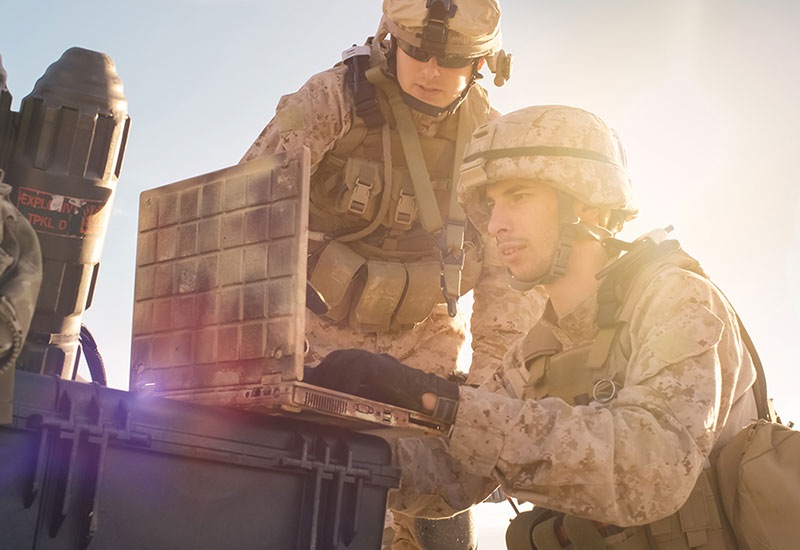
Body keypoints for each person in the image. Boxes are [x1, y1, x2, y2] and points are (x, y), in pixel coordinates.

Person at [310, 105, 759, 549]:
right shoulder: (539, 348)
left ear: (585, 200)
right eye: (490, 205)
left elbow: (651, 469)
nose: (494, 225)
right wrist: (326, 435)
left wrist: (441, 401)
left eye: (519, 197)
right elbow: (452, 476)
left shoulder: (675, 298)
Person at [241, 2, 542, 548]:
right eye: (417, 53)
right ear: (390, 42)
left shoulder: (491, 142)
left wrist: (481, 393)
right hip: (316, 352)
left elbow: (511, 280)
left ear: (481, 66)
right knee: (333, 519)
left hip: (426, 355)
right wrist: (266, 352)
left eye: (450, 60)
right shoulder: (330, 99)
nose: (429, 72)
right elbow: (248, 209)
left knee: (438, 515)